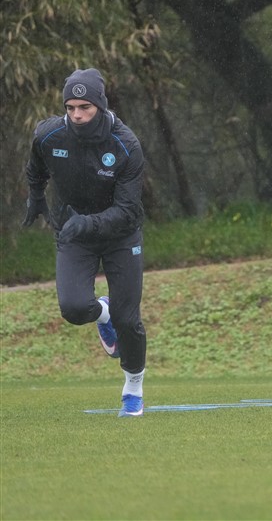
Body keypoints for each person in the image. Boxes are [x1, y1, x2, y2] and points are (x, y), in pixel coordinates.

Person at [23, 68, 147, 417]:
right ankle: (102, 313)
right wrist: (36, 198)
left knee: (128, 320)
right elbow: (36, 167)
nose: (76, 115)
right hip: (74, 232)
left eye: (85, 108)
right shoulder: (49, 134)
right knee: (74, 308)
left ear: (100, 106)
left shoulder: (126, 145)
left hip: (121, 235)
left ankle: (133, 388)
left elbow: (127, 210)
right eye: (70, 107)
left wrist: (86, 223)